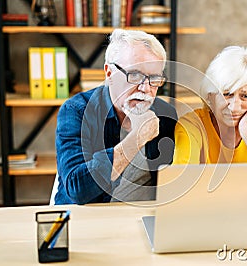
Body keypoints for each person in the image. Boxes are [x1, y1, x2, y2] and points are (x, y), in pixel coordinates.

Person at [54, 29, 177, 204]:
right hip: (86, 221)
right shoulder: (76, 111)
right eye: (135, 75)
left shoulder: (165, 115)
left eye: (155, 78)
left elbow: (172, 185)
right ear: (109, 73)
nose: (146, 89)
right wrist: (137, 138)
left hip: (140, 220)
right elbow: (77, 189)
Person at [173, 46, 247, 164]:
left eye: (245, 96)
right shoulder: (192, 124)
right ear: (210, 95)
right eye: (226, 94)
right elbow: (183, 180)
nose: (234, 107)